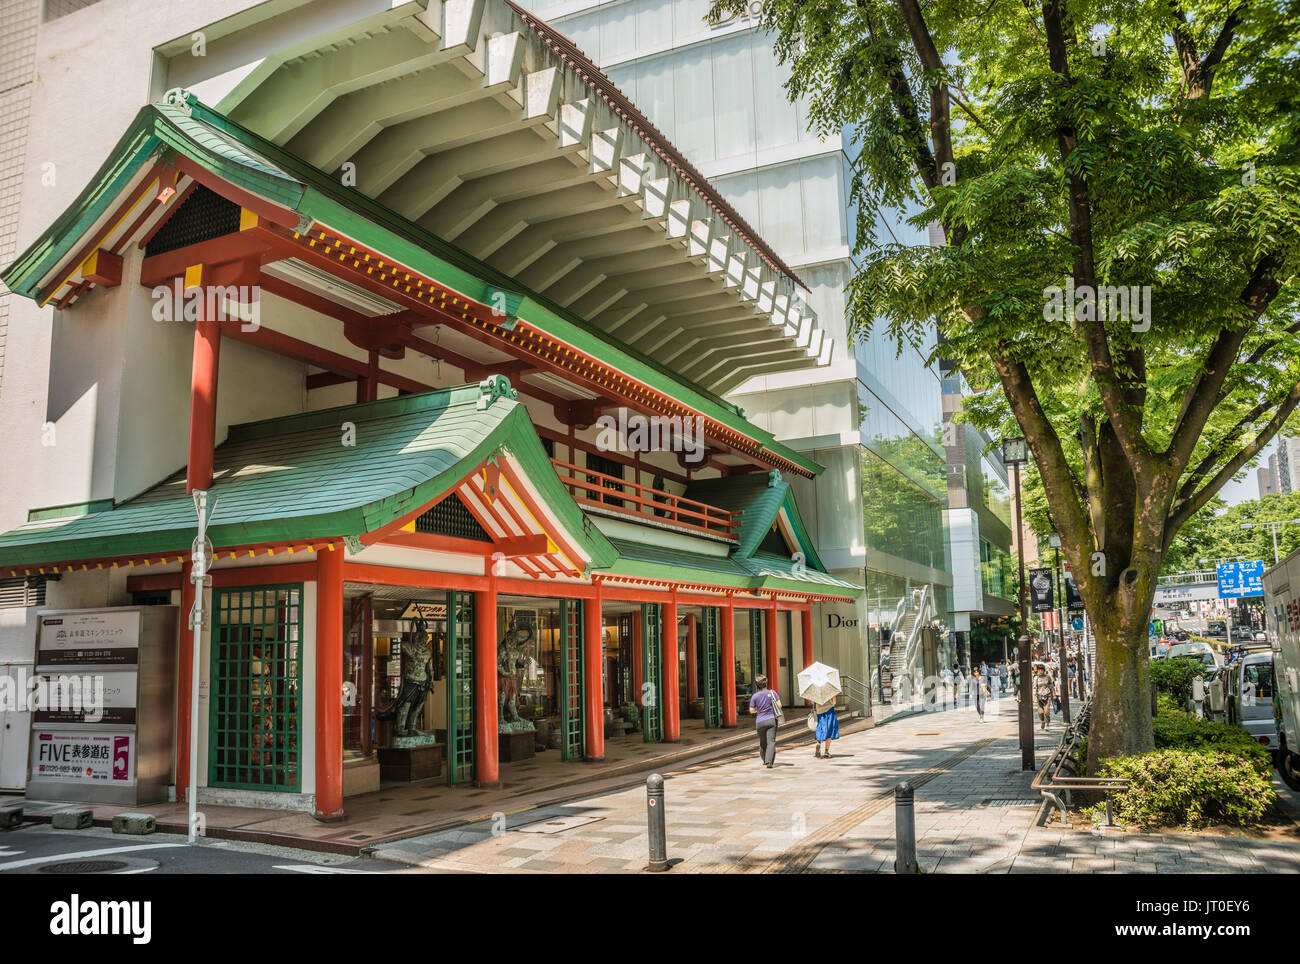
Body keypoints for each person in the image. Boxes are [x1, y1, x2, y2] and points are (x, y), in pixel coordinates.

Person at [747, 674, 780, 768]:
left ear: (757, 685)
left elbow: (751, 710)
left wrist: (759, 710)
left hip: (760, 722)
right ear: (766, 683)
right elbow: (779, 705)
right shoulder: (772, 693)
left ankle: (764, 760)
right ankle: (769, 762)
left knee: (762, 742)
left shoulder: (755, 696)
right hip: (771, 720)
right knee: (771, 742)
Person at [1033, 664, 1053, 729]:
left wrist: (1054, 694)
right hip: (1039, 696)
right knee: (1040, 712)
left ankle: (1047, 724)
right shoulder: (1036, 678)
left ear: (1044, 670)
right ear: (1037, 671)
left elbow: (1051, 685)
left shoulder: (1047, 677)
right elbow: (1034, 687)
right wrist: (1034, 696)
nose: (1040, 671)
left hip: (1047, 695)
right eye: (1039, 670)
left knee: (1046, 711)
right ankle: (1043, 721)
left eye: (1042, 670)